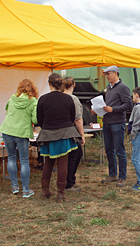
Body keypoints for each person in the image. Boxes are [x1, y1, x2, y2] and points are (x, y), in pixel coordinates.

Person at [37, 73, 82, 202]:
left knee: (48, 163)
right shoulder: (68, 99)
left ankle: (45, 191)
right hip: (64, 134)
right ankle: (60, 194)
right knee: (63, 163)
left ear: (49, 84)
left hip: (48, 134)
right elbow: (72, 117)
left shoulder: (42, 99)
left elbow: (40, 119)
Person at [94, 65, 132, 187]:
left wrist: (113, 109)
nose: (106, 76)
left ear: (116, 73)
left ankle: (122, 177)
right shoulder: (108, 88)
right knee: (109, 150)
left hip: (117, 122)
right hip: (107, 122)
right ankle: (112, 174)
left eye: (108, 74)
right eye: (105, 74)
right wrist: (99, 109)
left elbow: (128, 105)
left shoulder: (123, 88)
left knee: (120, 151)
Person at [0, 79, 38, 198]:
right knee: (24, 160)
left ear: (19, 88)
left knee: (11, 157)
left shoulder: (12, 98)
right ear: (32, 89)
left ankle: (14, 186)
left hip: (8, 130)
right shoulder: (33, 102)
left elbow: (7, 111)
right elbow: (35, 120)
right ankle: (26, 190)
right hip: (22, 133)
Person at [62, 76, 86, 192]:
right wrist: (82, 134)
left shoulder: (60, 97)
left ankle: (66, 180)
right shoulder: (73, 99)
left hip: (60, 131)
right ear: (74, 85)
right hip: (71, 132)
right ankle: (69, 182)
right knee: (75, 155)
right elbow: (78, 119)